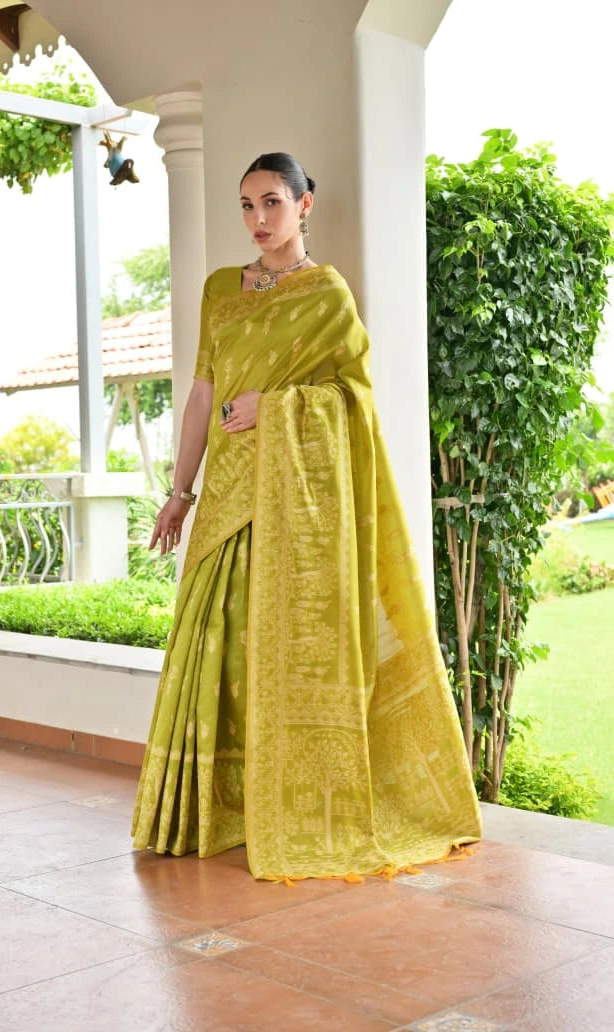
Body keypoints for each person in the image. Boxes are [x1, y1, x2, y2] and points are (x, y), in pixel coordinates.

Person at [131, 152, 481, 882]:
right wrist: (180, 491)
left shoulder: (327, 295)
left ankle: (287, 805)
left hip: (292, 500)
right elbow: (201, 395)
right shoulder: (219, 289)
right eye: (247, 205)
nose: (258, 220)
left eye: (272, 203)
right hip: (228, 494)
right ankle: (215, 808)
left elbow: (354, 401)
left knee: (279, 646)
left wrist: (276, 406)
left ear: (303, 205)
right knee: (215, 642)